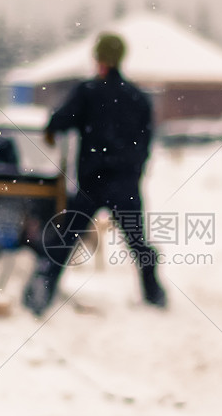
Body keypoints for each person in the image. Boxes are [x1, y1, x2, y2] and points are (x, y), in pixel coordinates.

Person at [22, 32, 167, 316]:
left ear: (100, 60)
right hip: (125, 183)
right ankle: (154, 294)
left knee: (66, 238)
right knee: (137, 241)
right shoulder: (137, 97)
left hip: (93, 181)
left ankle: (42, 293)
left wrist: (53, 129)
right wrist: (135, 169)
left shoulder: (88, 92)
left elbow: (59, 121)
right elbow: (147, 140)